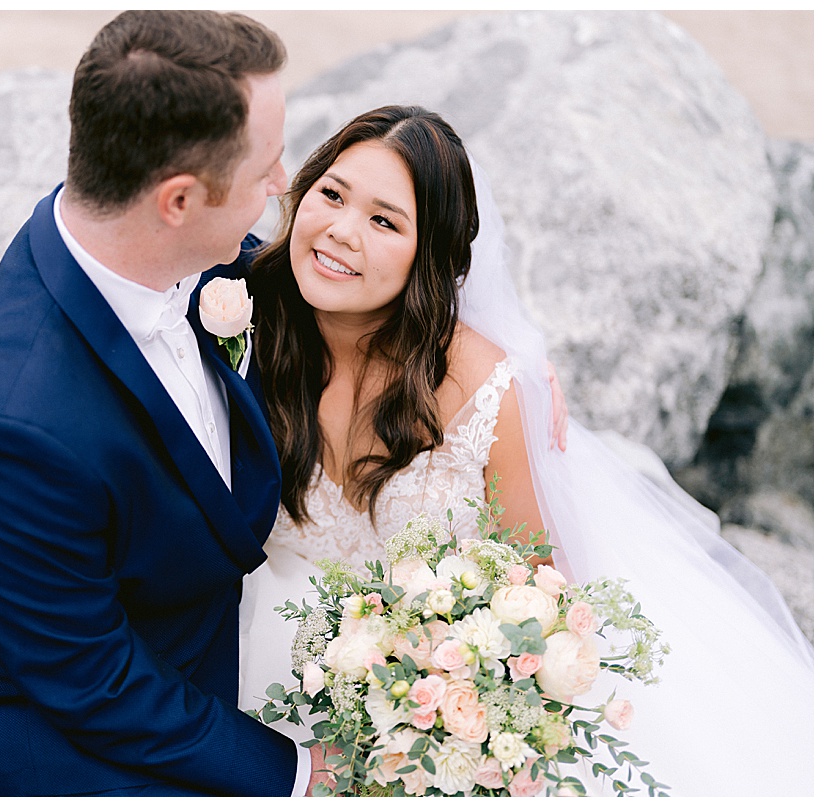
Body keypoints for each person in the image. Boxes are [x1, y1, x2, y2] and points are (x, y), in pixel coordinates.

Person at [237, 105, 813, 795]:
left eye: (384, 220)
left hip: (430, 707)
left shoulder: (482, 386)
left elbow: (538, 586)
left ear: (430, 253)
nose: (340, 231)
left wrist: (456, 713)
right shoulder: (241, 315)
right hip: (263, 666)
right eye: (331, 194)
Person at [0, 11, 328, 796]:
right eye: (268, 170)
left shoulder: (149, 240)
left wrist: (479, 356)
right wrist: (295, 772)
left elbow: (284, 278)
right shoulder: (14, 431)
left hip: (176, 604)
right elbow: (94, 680)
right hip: (34, 718)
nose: (282, 187)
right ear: (179, 200)